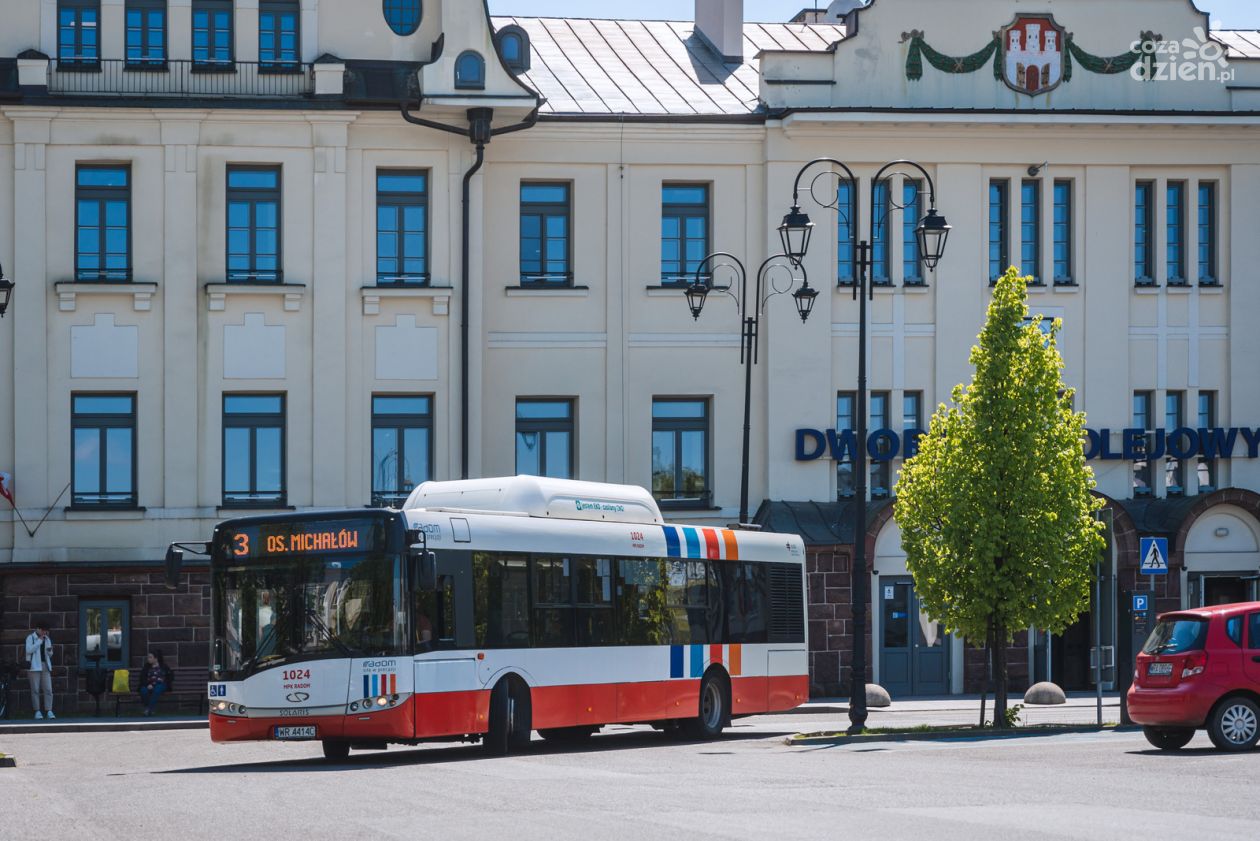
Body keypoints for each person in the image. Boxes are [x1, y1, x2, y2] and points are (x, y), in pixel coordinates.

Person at [24, 621, 55, 720]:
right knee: (35, 690)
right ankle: (37, 711)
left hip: (45, 665)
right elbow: (29, 650)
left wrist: (50, 651)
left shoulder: (47, 639)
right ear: (38, 629)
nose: (45, 633)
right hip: (34, 666)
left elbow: (50, 654)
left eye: (46, 631)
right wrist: (39, 641)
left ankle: (49, 710)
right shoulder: (31, 638)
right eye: (44, 631)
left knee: (48, 689)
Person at [137, 650, 173, 716]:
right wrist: (147, 685)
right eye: (148, 657)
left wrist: (158, 683)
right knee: (143, 690)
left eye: (150, 657)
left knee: (157, 689)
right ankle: (150, 709)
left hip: (160, 685)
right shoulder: (146, 666)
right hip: (149, 685)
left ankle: (148, 709)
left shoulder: (163, 666)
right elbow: (142, 677)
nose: (148, 659)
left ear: (156, 658)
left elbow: (170, 676)